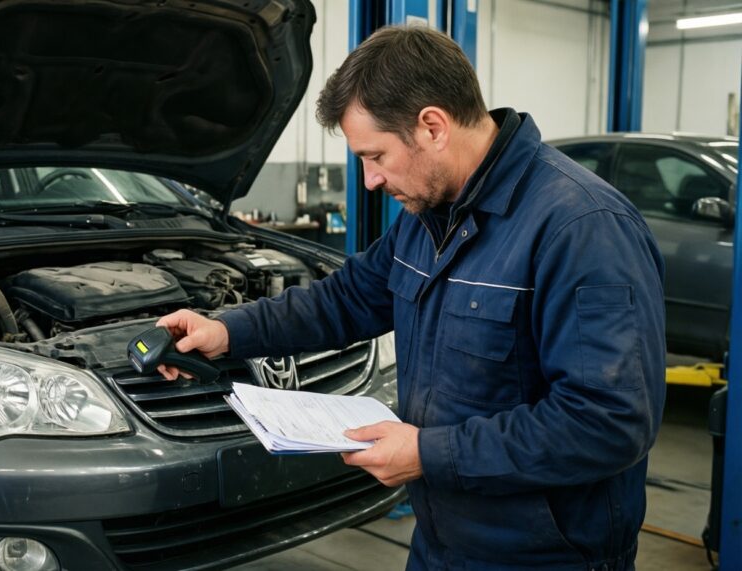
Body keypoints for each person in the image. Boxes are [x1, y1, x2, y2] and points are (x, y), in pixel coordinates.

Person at [157, 25, 665, 571]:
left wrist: (426, 453)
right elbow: (346, 298)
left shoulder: (581, 228)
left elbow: (608, 423)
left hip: (544, 555)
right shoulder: (429, 216)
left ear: (432, 126)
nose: (370, 180)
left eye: (376, 156)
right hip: (441, 539)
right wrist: (229, 331)